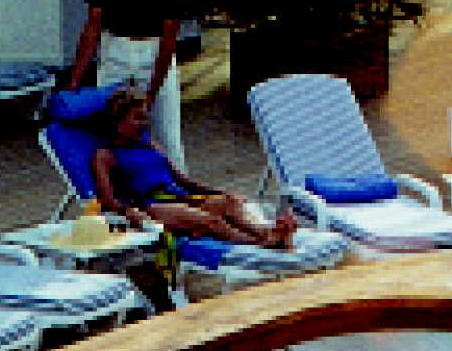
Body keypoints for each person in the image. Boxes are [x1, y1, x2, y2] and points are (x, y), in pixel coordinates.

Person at [64, 77, 292, 258]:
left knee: (230, 203)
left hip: (180, 197)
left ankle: (267, 233)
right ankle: (260, 244)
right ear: (118, 121)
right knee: (211, 222)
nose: (145, 124)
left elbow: (183, 181)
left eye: (146, 118)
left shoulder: (151, 145)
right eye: (138, 118)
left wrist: (222, 193)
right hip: (153, 207)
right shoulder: (105, 155)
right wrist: (129, 212)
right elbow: (107, 200)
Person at [64, 0, 201, 166]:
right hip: (115, 46)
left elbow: (170, 35)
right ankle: (108, 186)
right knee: (106, 129)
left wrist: (151, 95)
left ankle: (178, 185)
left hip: (154, 48)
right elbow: (93, 23)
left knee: (168, 136)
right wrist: (75, 79)